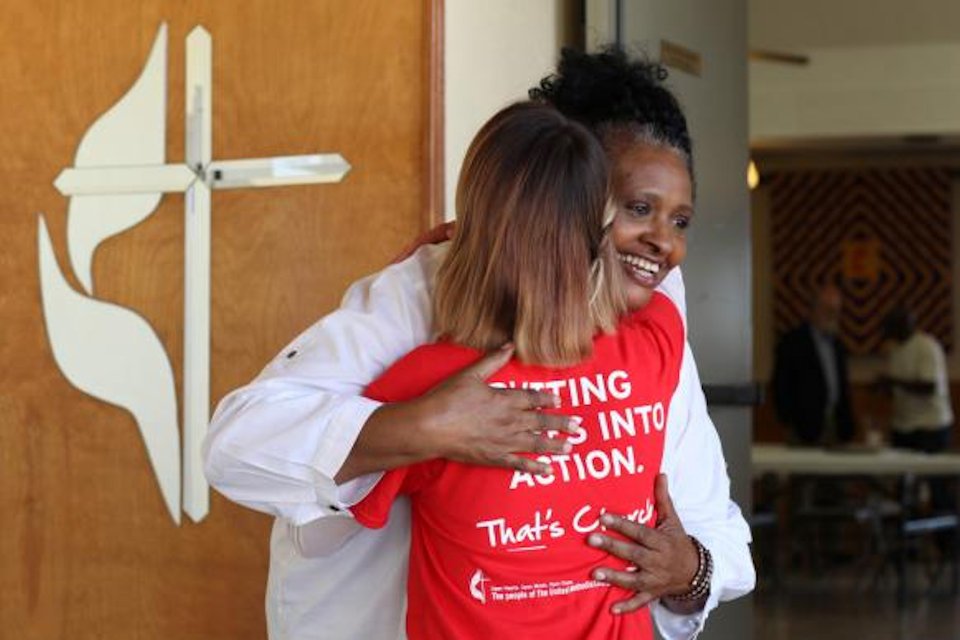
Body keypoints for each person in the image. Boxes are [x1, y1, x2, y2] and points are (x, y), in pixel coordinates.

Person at [203, 47, 754, 640]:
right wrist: (424, 427)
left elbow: (716, 531)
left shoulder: (651, 333)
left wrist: (688, 571)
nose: (661, 247)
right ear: (554, 200)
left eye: (679, 222)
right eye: (634, 207)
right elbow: (239, 447)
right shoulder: (420, 306)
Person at [351, 100, 685, 639]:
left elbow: (321, 494)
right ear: (597, 237)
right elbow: (659, 281)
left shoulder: (428, 383)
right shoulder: (655, 346)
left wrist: (416, 268)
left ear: (478, 237)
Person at [772, 285, 855, 446]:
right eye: (827, 310)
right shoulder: (793, 342)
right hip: (803, 427)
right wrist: (788, 421)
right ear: (813, 309)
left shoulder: (838, 345)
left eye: (836, 311)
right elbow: (780, 385)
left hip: (836, 427)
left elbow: (843, 387)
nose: (833, 316)